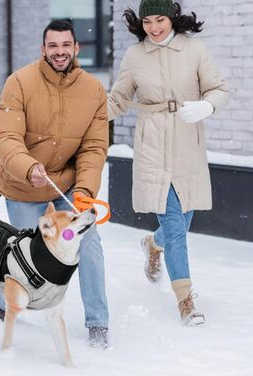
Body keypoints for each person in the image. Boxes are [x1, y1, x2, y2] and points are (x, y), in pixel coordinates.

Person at [108, 0, 229, 325]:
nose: (154, 28)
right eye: (147, 22)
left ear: (172, 18)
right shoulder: (135, 56)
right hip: (152, 144)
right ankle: (186, 300)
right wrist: (85, 114)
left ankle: (151, 244)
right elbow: (118, 99)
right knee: (175, 226)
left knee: (182, 221)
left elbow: (219, 89)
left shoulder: (195, 49)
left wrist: (208, 107)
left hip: (188, 143)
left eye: (159, 19)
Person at [0, 19, 109, 348]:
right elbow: (6, 139)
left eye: (65, 45)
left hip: (68, 188)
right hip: (23, 185)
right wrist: (28, 168)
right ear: (43, 49)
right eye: (52, 46)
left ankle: (98, 324)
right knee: (32, 258)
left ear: (76, 48)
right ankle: (3, 303)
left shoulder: (94, 91)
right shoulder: (19, 83)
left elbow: (93, 148)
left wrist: (84, 191)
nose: (60, 52)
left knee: (88, 245)